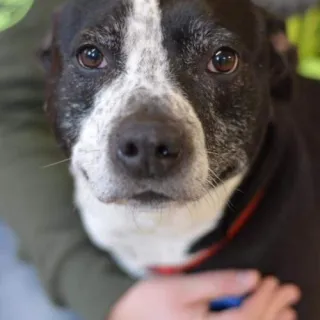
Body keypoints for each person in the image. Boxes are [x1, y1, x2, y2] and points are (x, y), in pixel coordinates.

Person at [0, 0, 313, 319]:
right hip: (81, 241)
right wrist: (105, 292)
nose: (150, 138)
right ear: (49, 63)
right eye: (92, 56)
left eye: (220, 61)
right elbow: (8, 108)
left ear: (278, 65)